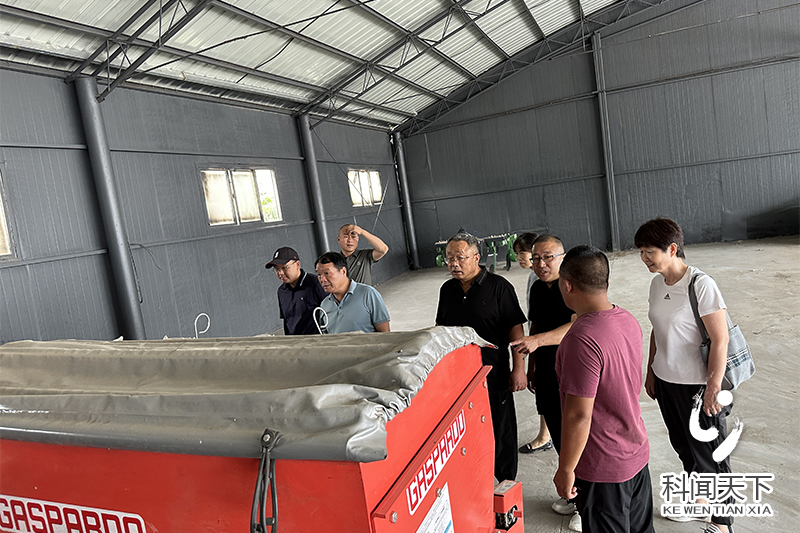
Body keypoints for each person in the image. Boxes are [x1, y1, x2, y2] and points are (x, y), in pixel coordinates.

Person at [635, 217, 735, 533]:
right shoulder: (656, 284)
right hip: (667, 382)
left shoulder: (700, 284)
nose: (644, 258)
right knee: (684, 447)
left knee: (711, 455)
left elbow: (720, 339)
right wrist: (651, 369)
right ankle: (700, 502)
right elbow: (657, 329)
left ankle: (722, 523)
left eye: (649, 251)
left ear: (672, 249)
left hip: (697, 386)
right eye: (641, 252)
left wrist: (713, 387)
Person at [554, 245, 654, 533]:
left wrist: (566, 468)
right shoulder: (627, 319)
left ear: (567, 285)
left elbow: (578, 415)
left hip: (603, 468)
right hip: (636, 453)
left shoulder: (581, 339)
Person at [435, 232, 527, 482]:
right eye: (449, 258)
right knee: (469, 428)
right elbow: (441, 329)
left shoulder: (499, 287)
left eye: (460, 257)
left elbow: (515, 330)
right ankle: (477, 478)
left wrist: (519, 369)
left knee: (501, 429)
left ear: (476, 258)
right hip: (459, 377)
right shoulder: (447, 290)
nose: (454, 263)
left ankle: (506, 481)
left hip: (494, 374)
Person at [509, 234, 580, 530]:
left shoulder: (574, 285)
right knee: (559, 433)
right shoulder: (538, 288)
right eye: (536, 258)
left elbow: (577, 325)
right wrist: (532, 367)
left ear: (563, 257)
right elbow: (534, 324)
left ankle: (589, 503)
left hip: (574, 371)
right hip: (547, 371)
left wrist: (537, 341)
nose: (541, 264)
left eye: (548, 257)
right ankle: (574, 494)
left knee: (578, 436)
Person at [512, 232, 552, 455]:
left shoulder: (542, 278)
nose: (520, 257)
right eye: (517, 253)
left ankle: (546, 436)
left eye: (523, 252)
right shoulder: (533, 278)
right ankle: (546, 433)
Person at [315, 251, 390, 334]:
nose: (322, 279)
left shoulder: (368, 294)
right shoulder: (325, 305)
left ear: (343, 271)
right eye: (319, 274)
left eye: (327, 273)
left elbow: (385, 334)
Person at [265, 246, 327, 335]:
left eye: (284, 268)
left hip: (316, 340)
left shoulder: (316, 284)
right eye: (277, 269)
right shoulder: (281, 291)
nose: (280, 273)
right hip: (294, 341)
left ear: (297, 265)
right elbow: (287, 322)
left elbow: (331, 313)